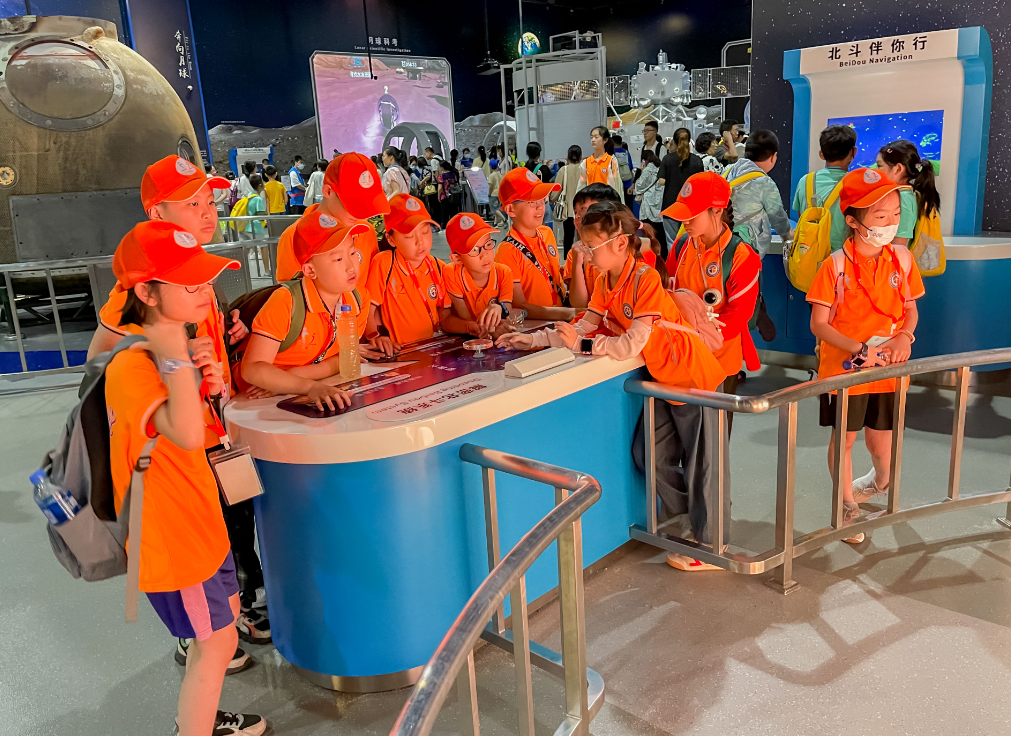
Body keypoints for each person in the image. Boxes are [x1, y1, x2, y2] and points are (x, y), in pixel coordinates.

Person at [497, 201, 726, 569]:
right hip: (663, 380)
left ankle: (711, 545)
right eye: (583, 246)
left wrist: (580, 344)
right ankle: (690, 518)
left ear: (619, 243)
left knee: (704, 464)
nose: (586, 254)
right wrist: (535, 339)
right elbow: (583, 327)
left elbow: (628, 345)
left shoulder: (644, 279)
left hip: (692, 376)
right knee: (648, 455)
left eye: (591, 246)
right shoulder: (605, 281)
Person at [105, 220, 266, 736]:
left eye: (205, 280)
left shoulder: (169, 350)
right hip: (174, 539)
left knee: (222, 623)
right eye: (189, 283)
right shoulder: (134, 364)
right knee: (218, 643)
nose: (205, 291)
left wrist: (205, 381)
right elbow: (189, 435)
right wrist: (180, 358)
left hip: (199, 519)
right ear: (146, 292)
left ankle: (198, 718)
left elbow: (193, 424)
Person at [807, 167, 924, 544]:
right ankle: (845, 508)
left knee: (882, 443)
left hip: (888, 370)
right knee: (845, 440)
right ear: (853, 221)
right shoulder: (835, 265)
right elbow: (819, 324)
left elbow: (910, 309)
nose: (891, 223)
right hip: (845, 370)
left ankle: (876, 483)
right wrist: (861, 350)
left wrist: (905, 336)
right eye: (880, 215)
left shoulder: (903, 260)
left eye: (896, 214)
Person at [241, 214, 386, 409]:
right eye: (338, 259)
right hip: (256, 402)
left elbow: (344, 359)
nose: (351, 266)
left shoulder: (358, 299)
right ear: (309, 271)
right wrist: (308, 386)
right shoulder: (286, 301)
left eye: (353, 253)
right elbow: (252, 369)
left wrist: (288, 379)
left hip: (309, 391)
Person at [663, 171, 762, 414]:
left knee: (715, 432)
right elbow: (667, 295)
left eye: (692, 214)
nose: (685, 221)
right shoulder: (681, 246)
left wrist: (698, 337)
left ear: (717, 210)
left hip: (719, 361)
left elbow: (739, 315)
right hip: (682, 358)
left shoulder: (741, 256)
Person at [275, 152, 390, 282]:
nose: (361, 213)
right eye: (355, 204)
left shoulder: (366, 231)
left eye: (367, 203)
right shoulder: (293, 236)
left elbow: (373, 283)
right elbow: (290, 290)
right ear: (328, 191)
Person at [495, 167, 576, 321]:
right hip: (536, 326)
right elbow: (519, 305)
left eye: (542, 200)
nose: (540, 207)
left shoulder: (546, 233)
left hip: (561, 317)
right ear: (511, 210)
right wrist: (569, 313)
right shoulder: (507, 251)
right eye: (532, 202)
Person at [367, 193, 447, 348]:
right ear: (391, 239)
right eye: (410, 236)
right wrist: (375, 335)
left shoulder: (439, 267)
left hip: (433, 349)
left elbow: (446, 314)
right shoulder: (384, 264)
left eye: (425, 231)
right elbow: (368, 309)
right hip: (400, 352)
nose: (420, 242)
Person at [441, 212, 514, 339]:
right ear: (457, 258)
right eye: (474, 250)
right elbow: (466, 319)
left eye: (488, 244)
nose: (485, 255)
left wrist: (499, 308)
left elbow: (507, 308)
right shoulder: (451, 274)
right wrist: (485, 328)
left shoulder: (504, 273)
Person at [722, 130, 792, 257]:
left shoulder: (727, 170)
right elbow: (777, 216)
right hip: (745, 249)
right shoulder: (764, 182)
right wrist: (787, 235)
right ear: (773, 157)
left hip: (720, 241)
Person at [792, 124, 857, 254]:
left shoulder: (805, 181)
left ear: (821, 154)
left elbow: (802, 217)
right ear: (853, 152)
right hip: (842, 258)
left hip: (808, 257)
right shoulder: (857, 184)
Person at [565, 183, 621, 309]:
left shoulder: (623, 249)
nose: (578, 216)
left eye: (584, 210)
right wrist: (577, 262)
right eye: (575, 212)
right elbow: (579, 304)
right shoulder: (574, 253)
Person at [876, 139, 941, 247]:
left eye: (879, 166)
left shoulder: (903, 198)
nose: (875, 171)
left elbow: (899, 244)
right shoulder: (909, 194)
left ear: (898, 169)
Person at [657, 127, 704, 246]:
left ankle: (674, 259)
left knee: (672, 243)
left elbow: (661, 181)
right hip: (690, 207)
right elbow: (700, 183)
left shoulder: (667, 158)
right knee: (691, 242)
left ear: (674, 141)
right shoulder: (697, 160)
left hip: (670, 205)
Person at [634, 150, 666, 258]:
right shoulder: (660, 167)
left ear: (644, 159)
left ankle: (651, 254)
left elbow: (639, 186)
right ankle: (662, 254)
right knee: (660, 232)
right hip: (659, 202)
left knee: (649, 232)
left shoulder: (648, 169)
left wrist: (641, 170)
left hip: (648, 204)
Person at [556, 145, 583, 256]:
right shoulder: (585, 170)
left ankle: (568, 260)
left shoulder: (564, 170)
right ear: (580, 156)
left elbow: (557, 189)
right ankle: (583, 260)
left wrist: (552, 200)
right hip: (583, 210)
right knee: (583, 237)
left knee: (568, 236)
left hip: (568, 210)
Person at [579, 125, 623, 195]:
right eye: (591, 137)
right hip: (591, 199)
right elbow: (581, 186)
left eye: (596, 137)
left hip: (607, 199)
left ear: (605, 140)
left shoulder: (611, 161)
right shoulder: (585, 163)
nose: (593, 140)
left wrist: (619, 201)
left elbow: (618, 186)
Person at [237, 173, 267, 240]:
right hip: (255, 227)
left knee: (247, 245)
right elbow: (261, 215)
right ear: (260, 185)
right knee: (261, 244)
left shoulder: (248, 196)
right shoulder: (258, 199)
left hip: (244, 226)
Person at [612, 134, 635, 207]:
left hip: (615, 184)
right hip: (627, 183)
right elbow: (630, 168)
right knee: (628, 206)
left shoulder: (610, 153)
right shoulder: (626, 153)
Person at [437, 159, 461, 227]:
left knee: (444, 212)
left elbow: (440, 188)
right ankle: (455, 225)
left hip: (444, 196)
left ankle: (445, 226)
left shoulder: (441, 176)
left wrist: (439, 196)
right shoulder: (453, 174)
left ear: (442, 167)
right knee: (453, 211)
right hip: (454, 195)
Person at [487, 159, 505, 227]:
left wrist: (489, 194)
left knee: (495, 209)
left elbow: (491, 186)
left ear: (490, 166)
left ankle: (504, 220)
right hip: (499, 194)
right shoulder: (499, 174)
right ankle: (495, 223)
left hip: (493, 194)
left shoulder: (491, 176)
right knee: (498, 208)